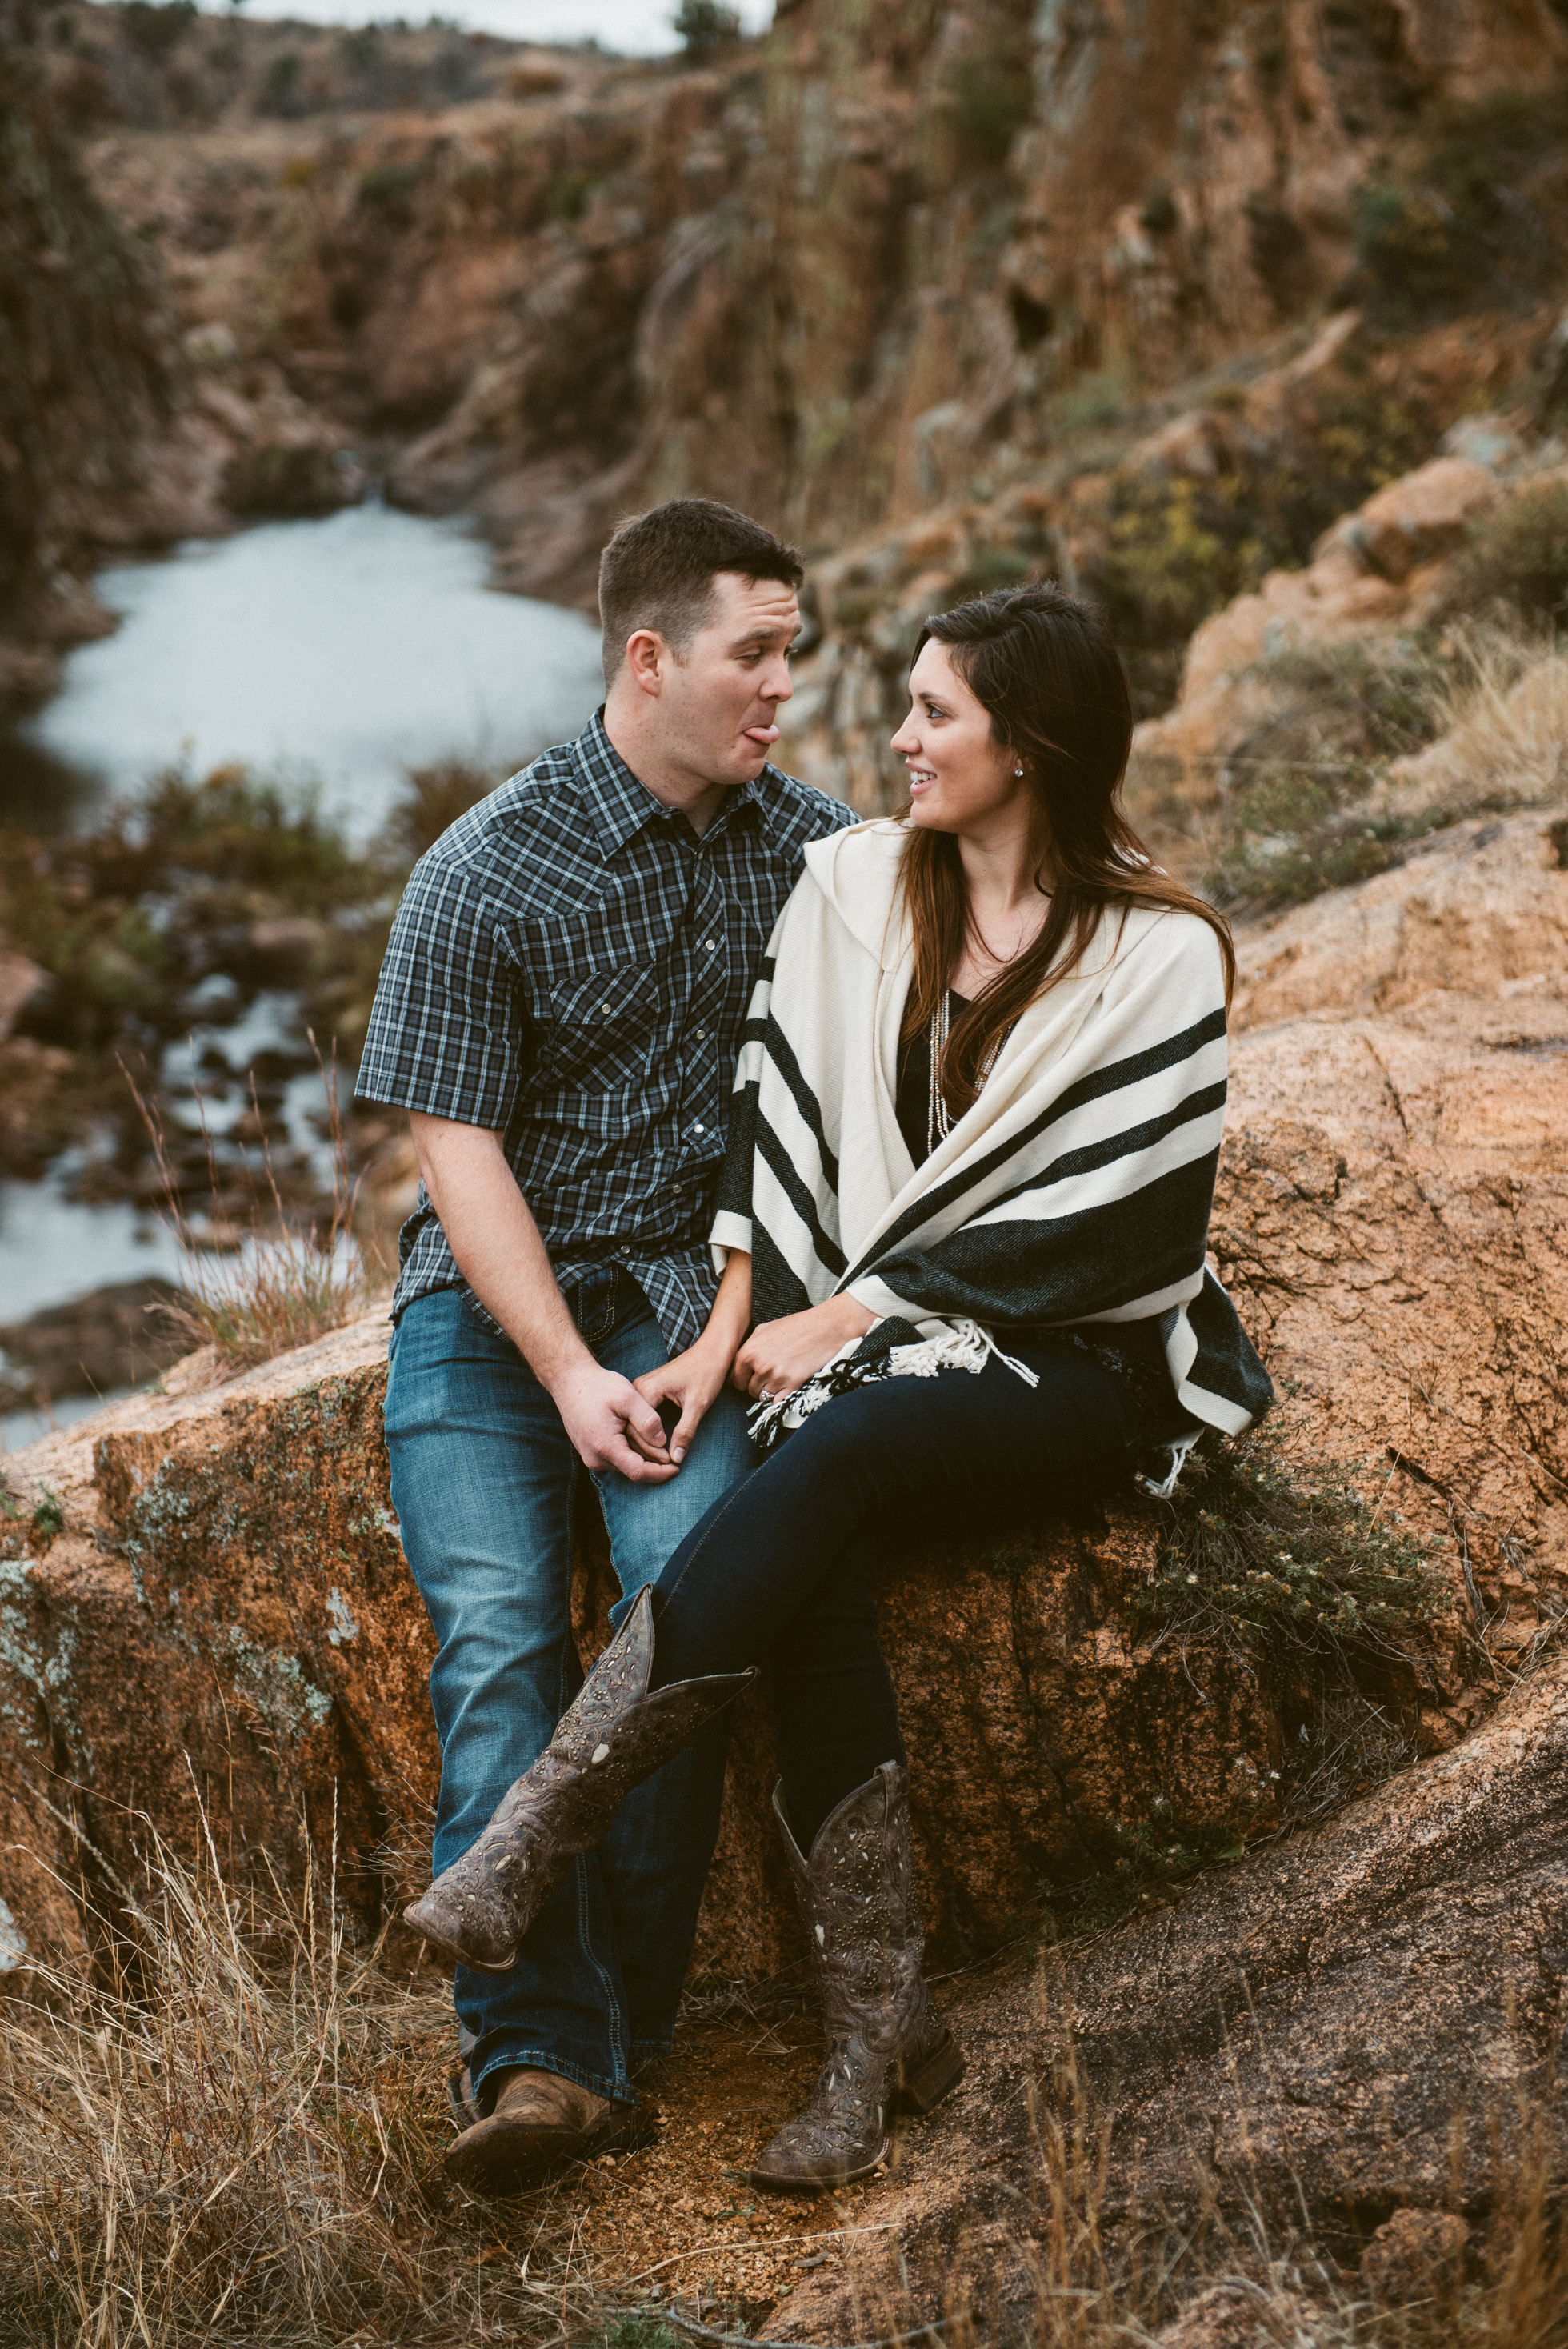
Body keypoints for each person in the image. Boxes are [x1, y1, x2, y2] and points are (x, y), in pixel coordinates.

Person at [404, 581, 1273, 2191]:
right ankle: (881, 2031)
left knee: (839, 1448)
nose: (894, 735)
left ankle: (542, 1824)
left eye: (933, 711)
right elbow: (778, 1145)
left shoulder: (1160, 954)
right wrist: (750, 1318)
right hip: (873, 1353)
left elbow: (1120, 1235)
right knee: (803, 1511)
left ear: (1030, 745)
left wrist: (862, 1305)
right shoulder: (859, 885)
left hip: (1073, 1364)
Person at [356, 498, 853, 2196]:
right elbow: (454, 1143)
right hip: (495, 1321)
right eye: (756, 653)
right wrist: (566, 1368)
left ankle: (613, 2044)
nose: (783, 685)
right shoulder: (485, 866)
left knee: (683, 1620)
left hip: (692, 1309)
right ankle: (535, 2058)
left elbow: (949, 975)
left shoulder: (813, 853)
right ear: (650, 659)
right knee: (495, 1638)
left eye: (792, 652)